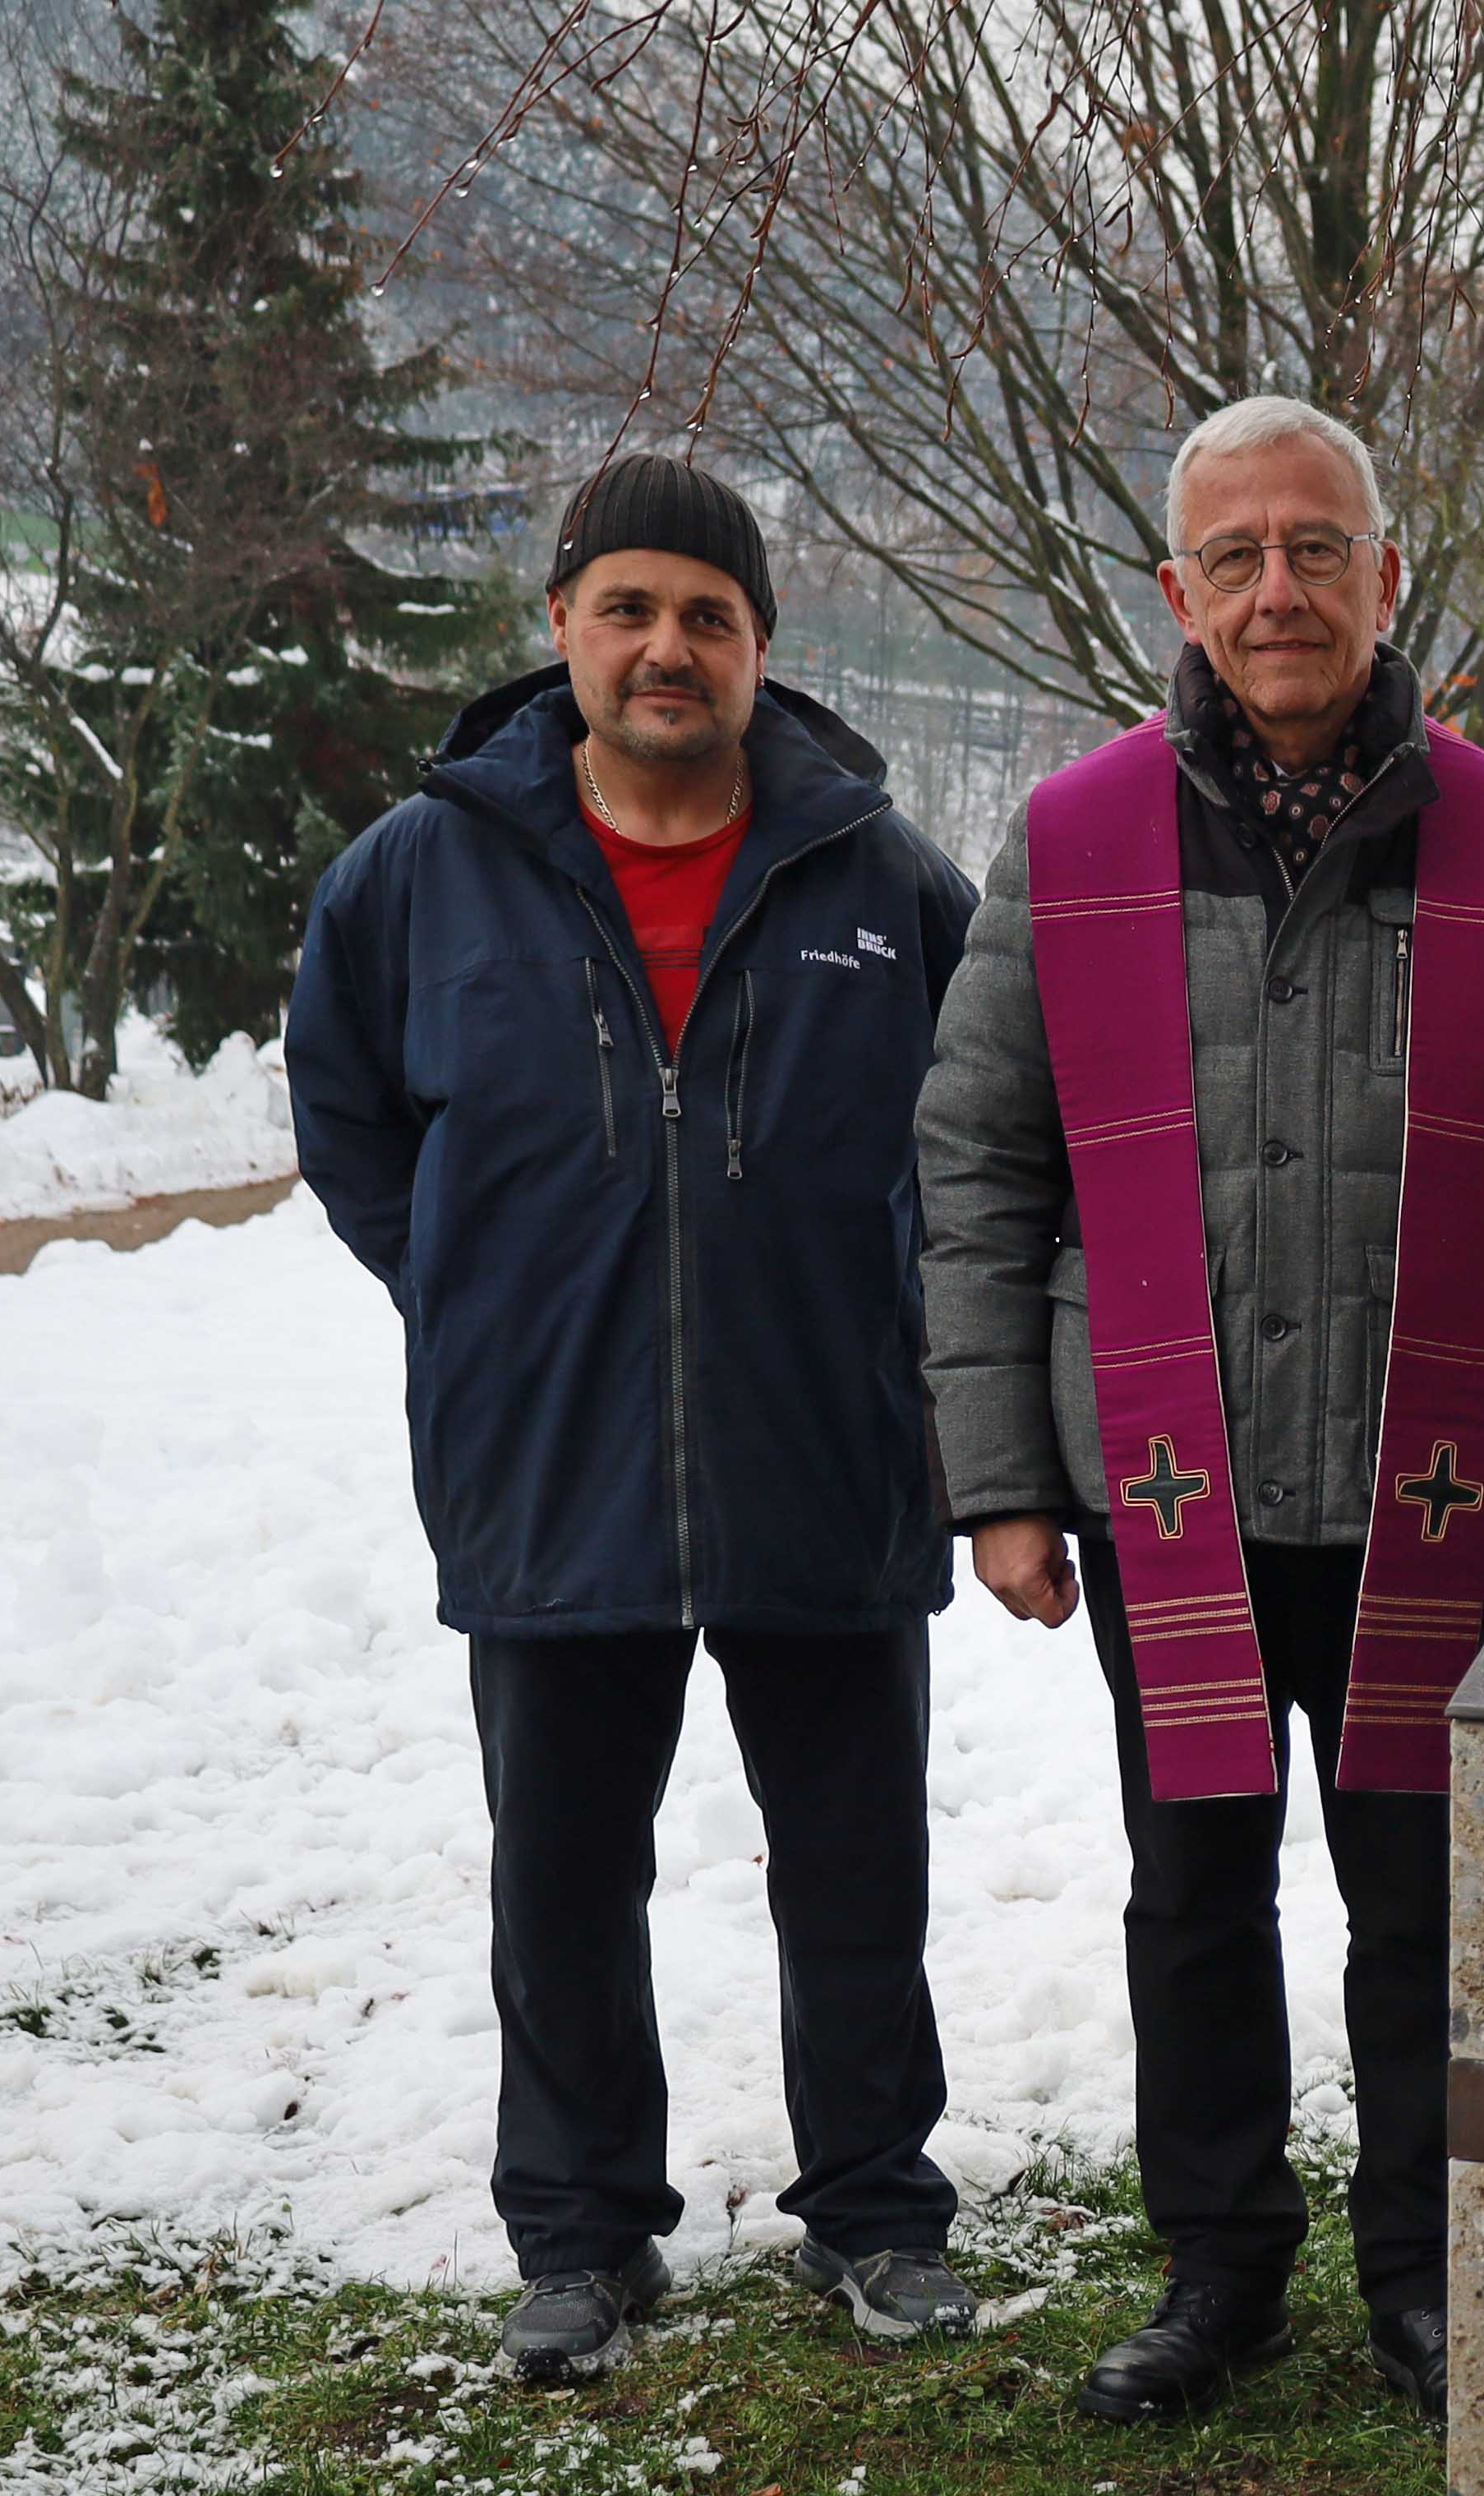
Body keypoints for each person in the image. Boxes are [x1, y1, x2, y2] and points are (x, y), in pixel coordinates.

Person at [917, 396, 1484, 2431]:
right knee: (1196, 1895)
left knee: (1423, 1906)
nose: (1277, 589)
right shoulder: (1070, 846)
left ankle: (1426, 2279)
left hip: (1430, 1493)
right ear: (1176, 591)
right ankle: (1219, 2271)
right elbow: (975, 1167)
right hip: (1170, 1488)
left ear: (1385, 575)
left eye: (1316, 547)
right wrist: (996, 1477)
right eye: (1235, 555)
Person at [286, 454, 984, 2386]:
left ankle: (878, 2209)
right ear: (562, 631)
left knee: (855, 1862)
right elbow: (344, 1115)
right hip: (550, 1456)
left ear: (762, 646)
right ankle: (583, 2236)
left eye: (709, 615)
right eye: (630, 608)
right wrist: (471, 1292)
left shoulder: (881, 875)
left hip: (830, 1444)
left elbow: (991, 1139)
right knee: (564, 1874)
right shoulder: (420, 874)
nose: (667, 646)